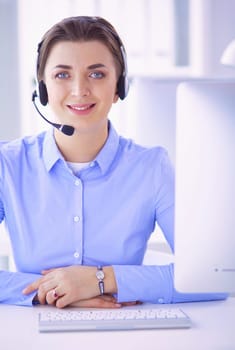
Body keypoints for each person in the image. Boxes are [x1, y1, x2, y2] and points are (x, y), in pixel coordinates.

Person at [0, 16, 226, 308]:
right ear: (42, 87)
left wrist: (102, 280)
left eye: (96, 74)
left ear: (119, 85)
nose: (79, 90)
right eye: (62, 75)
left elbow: (212, 278)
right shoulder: (9, 165)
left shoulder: (152, 167)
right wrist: (56, 293)